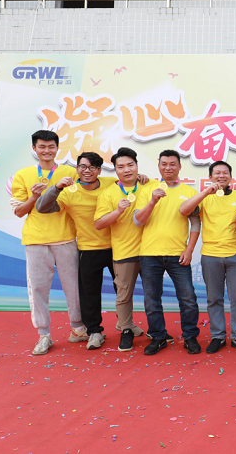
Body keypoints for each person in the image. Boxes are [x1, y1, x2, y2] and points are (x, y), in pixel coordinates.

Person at [36, 151, 120, 350]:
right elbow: (42, 207)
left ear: (99, 170)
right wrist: (56, 187)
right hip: (88, 248)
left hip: (117, 247)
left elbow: (131, 185)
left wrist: (141, 178)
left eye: (92, 167)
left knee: (123, 290)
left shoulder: (111, 184)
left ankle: (125, 324)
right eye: (82, 166)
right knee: (89, 295)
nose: (86, 170)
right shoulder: (69, 191)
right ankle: (94, 332)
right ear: (77, 169)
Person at [10, 130, 84, 356]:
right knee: (39, 289)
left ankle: (78, 328)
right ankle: (44, 335)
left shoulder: (71, 172)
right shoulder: (23, 175)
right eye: (42, 146)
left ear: (57, 148)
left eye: (51, 146)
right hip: (36, 241)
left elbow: (90, 190)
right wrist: (34, 197)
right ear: (34, 148)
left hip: (66, 238)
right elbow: (18, 211)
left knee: (74, 287)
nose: (47, 150)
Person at [180, 160, 236, 354]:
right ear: (210, 177)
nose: (221, 176)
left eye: (225, 173)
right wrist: (205, 192)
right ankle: (218, 336)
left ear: (231, 177)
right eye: (217, 173)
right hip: (210, 255)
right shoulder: (204, 197)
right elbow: (184, 210)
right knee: (214, 299)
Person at [133, 150, 202, 355]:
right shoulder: (148, 189)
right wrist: (153, 201)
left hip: (178, 254)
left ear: (179, 166)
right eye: (164, 164)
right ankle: (158, 337)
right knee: (152, 300)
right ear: (159, 166)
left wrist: (189, 249)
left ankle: (190, 336)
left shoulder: (190, 192)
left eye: (172, 164)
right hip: (149, 254)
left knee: (188, 298)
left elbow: (195, 223)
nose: (168, 167)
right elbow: (138, 221)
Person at [94, 147, 152, 352]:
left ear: (137, 166)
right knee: (124, 295)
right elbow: (99, 223)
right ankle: (126, 329)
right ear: (115, 169)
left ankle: (156, 329)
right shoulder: (108, 193)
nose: (127, 170)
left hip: (150, 251)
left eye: (130, 165)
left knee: (152, 294)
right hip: (125, 252)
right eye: (121, 167)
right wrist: (118, 210)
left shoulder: (150, 185)